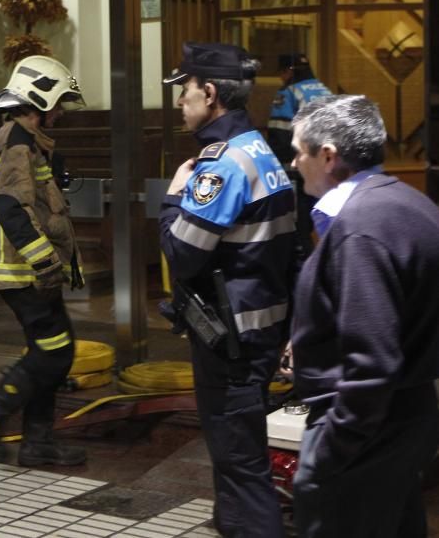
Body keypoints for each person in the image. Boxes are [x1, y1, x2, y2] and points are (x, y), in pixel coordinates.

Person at [159, 42, 295, 538]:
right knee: (237, 457)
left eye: (186, 90)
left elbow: (182, 254)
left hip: (232, 342)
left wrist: (173, 196)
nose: (180, 101)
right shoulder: (262, 149)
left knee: (241, 464)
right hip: (259, 328)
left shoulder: (221, 165)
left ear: (210, 93)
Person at [289, 95, 439, 538]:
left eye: (299, 151)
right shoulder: (407, 203)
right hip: (404, 418)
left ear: (328, 155)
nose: (294, 163)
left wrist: (330, 452)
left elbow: (372, 363)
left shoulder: (362, 227)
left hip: (369, 428)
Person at [0, 55, 87, 467]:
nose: (62, 111)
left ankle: (38, 443)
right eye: (59, 102)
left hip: (26, 272)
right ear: (40, 98)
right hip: (22, 272)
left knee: (52, 351)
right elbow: (11, 206)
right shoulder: (17, 140)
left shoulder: (23, 138)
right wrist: (44, 263)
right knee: (54, 353)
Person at [267, 53, 331, 254]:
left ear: (287, 72)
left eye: (282, 73)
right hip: (326, 168)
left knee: (299, 229)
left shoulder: (289, 92)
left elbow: (279, 134)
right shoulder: (324, 89)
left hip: (298, 171)